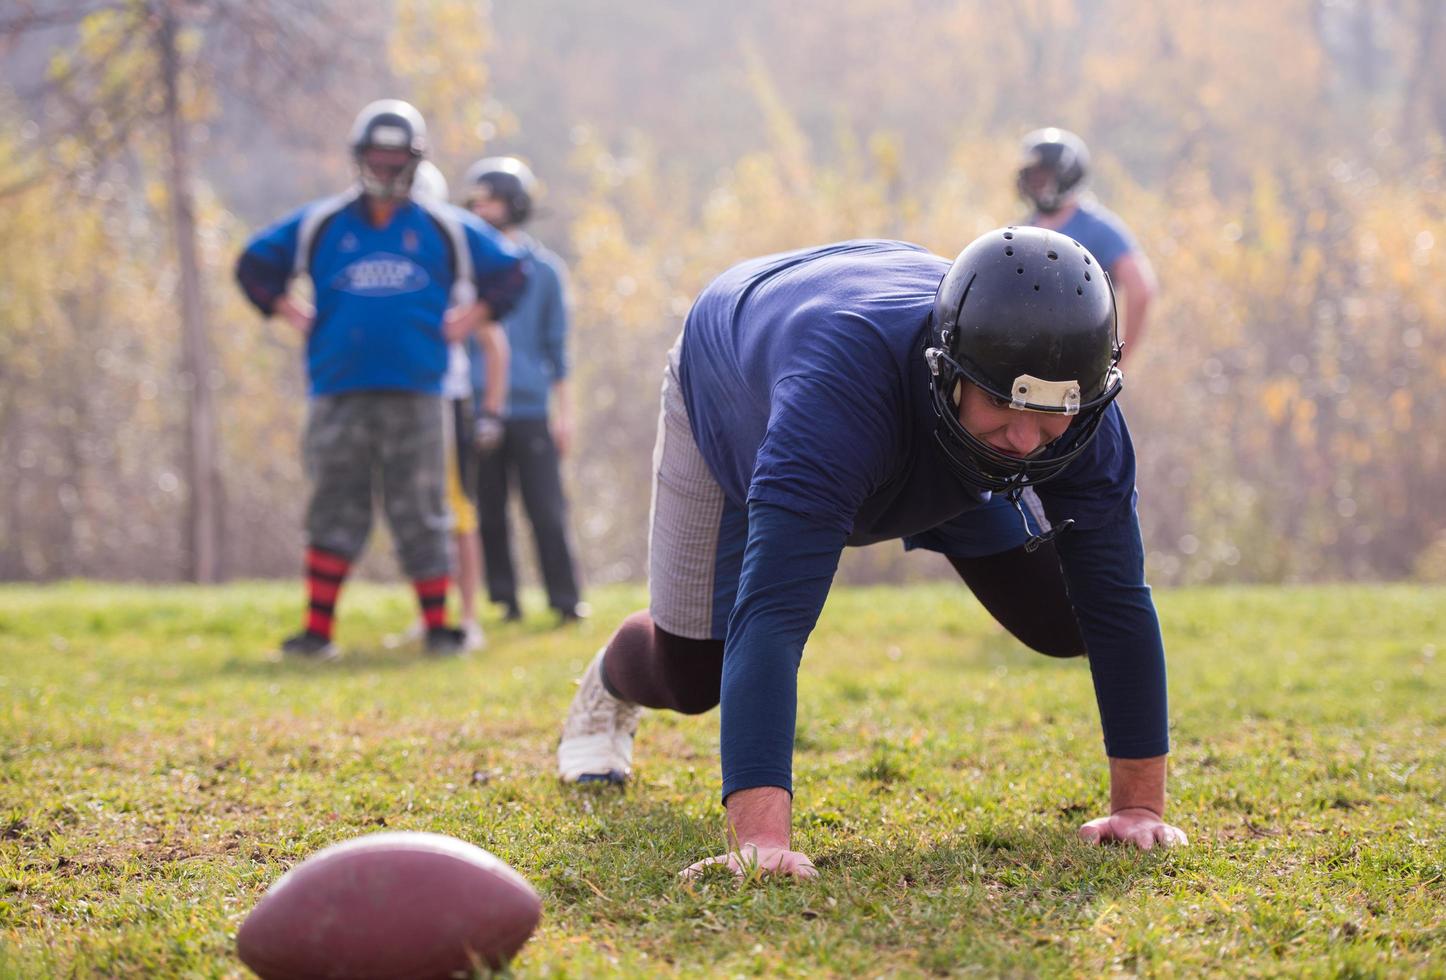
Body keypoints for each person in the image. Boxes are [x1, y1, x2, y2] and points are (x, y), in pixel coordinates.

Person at [556, 229, 1187, 881]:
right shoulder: (836, 392)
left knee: (1067, 618)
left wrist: (1139, 808)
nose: (1028, 439)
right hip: (734, 382)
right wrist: (761, 840)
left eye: (1052, 411)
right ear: (949, 368)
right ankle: (610, 680)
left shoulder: (1074, 406)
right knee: (692, 673)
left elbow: (1116, 598)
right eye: (1004, 402)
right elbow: (773, 615)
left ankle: (977, 431)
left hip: (938, 440)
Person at [235, 100, 525, 660]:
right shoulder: (322, 223)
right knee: (332, 506)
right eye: (377, 157)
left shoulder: (443, 226)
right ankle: (317, 633)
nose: (386, 169)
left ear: (414, 162)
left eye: (397, 159)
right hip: (336, 389)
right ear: (359, 157)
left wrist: (472, 318)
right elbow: (252, 264)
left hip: (420, 391)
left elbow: (513, 271)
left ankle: (440, 630)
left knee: (422, 508)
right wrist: (288, 311)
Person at [462, 157, 585, 625]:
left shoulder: (546, 271)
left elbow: (559, 350)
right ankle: (504, 599)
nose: (481, 208)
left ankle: (565, 599)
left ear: (514, 204)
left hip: (533, 408)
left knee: (547, 510)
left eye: (490, 199)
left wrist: (564, 414)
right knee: (488, 512)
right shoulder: (466, 267)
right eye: (476, 201)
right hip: (479, 408)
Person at [405, 160, 486, 652]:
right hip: (404, 393)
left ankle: (470, 617)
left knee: (457, 511)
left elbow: (481, 313)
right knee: (416, 510)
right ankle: (431, 614)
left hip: (446, 394)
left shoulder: (451, 250)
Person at [1017, 128, 1157, 366]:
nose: (1035, 183)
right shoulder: (1023, 229)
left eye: (1042, 176)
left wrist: (1119, 360)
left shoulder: (1098, 228)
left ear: (1065, 175)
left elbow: (1141, 290)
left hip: (1077, 360)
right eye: (1032, 176)